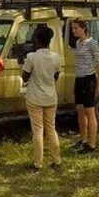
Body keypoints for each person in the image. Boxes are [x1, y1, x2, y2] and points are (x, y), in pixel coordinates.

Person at [21, 25, 62, 172]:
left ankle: (38, 164)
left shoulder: (32, 57)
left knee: (38, 131)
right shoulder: (56, 58)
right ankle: (57, 161)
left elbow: (24, 77)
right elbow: (55, 77)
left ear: (37, 41)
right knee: (51, 128)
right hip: (51, 97)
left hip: (35, 97)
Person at [70, 18, 99, 154]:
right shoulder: (78, 43)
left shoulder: (92, 43)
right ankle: (83, 139)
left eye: (76, 28)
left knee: (90, 111)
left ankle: (92, 144)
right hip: (79, 78)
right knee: (80, 110)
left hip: (89, 79)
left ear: (84, 28)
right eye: (73, 28)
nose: (74, 31)